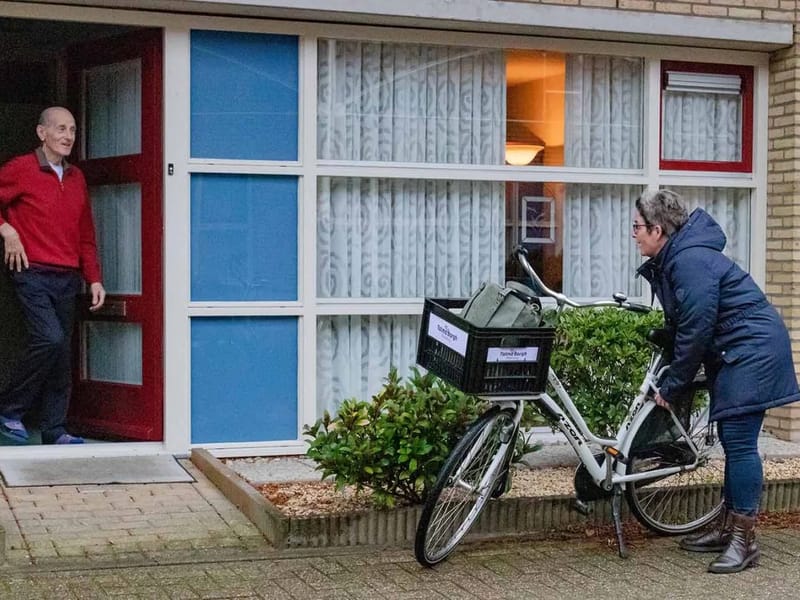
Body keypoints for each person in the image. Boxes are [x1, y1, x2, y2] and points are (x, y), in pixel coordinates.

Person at [633, 189, 800, 574]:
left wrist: (673, 386)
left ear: (658, 230)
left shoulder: (689, 260)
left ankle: (745, 541)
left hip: (752, 351)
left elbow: (697, 328)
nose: (634, 234)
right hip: (738, 350)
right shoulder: (679, 257)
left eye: (638, 227)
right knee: (731, 438)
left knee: (740, 443)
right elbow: (688, 324)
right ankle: (728, 529)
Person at [0, 106, 106, 445]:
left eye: (72, 130)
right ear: (41, 132)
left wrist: (94, 278)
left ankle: (54, 429)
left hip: (67, 276)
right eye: (60, 128)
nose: (68, 136)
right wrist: (6, 229)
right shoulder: (21, 168)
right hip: (31, 271)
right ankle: (9, 408)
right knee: (50, 339)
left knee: (61, 356)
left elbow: (85, 232)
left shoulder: (76, 178)